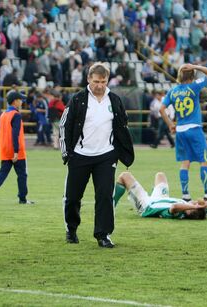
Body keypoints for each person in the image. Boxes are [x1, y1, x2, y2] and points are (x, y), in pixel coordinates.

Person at [60, 63, 134, 248]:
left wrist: (121, 152)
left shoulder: (114, 100)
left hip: (106, 156)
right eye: (96, 81)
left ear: (107, 80)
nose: (100, 85)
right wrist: (66, 153)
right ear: (88, 80)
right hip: (80, 155)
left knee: (105, 196)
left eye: (103, 81)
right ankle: (71, 228)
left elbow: (122, 126)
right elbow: (64, 125)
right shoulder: (77, 99)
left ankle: (103, 234)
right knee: (73, 197)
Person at [159, 63, 207, 203]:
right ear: (192, 75)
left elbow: (162, 109)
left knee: (185, 163)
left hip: (180, 130)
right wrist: (195, 65)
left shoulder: (173, 91)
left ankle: (186, 196)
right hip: (194, 128)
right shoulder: (194, 86)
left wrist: (170, 124)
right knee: (204, 161)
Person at [0, 92, 34, 205]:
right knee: (22, 174)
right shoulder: (16, 115)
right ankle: (22, 198)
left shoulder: (4, 114)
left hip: (5, 149)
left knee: (2, 172)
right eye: (20, 100)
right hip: (16, 150)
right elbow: (15, 133)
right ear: (15, 101)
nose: (22, 102)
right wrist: (16, 151)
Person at [113, 171, 207, 219]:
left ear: (190, 210)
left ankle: (111, 207)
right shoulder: (201, 212)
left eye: (195, 204)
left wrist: (194, 206)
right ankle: (154, 194)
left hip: (147, 205)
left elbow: (174, 207)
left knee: (124, 176)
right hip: (160, 199)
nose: (194, 202)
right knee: (160, 175)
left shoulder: (179, 214)